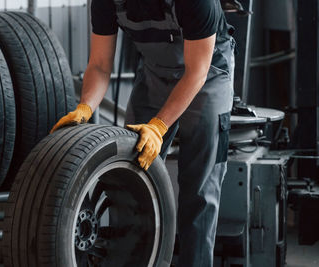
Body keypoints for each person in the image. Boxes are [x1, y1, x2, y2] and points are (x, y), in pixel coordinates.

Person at [51, 0, 235, 266]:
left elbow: (197, 72)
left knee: (199, 189)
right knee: (129, 175)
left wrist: (159, 126)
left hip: (208, 76)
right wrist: (85, 107)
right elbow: (101, 65)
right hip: (154, 74)